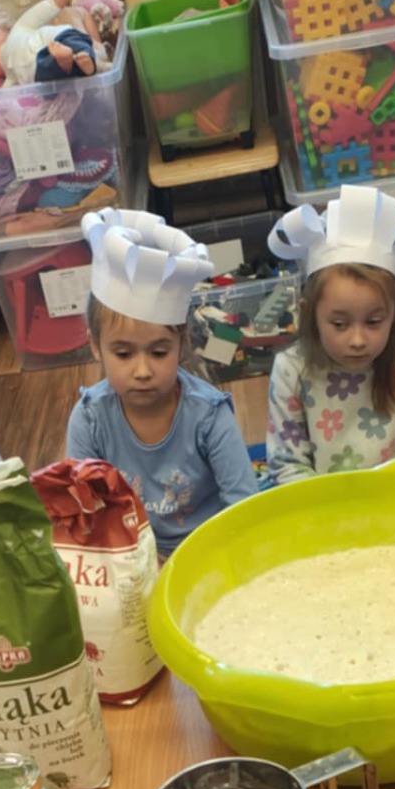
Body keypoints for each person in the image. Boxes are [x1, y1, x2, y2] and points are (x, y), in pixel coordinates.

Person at [65, 208, 258, 557]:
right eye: (123, 354)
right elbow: (86, 515)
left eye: (158, 352)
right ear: (95, 346)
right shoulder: (90, 418)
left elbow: (242, 507)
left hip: (208, 548)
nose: (142, 370)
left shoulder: (209, 416)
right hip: (130, 554)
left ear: (181, 343)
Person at [264, 184, 395, 484]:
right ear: (309, 313)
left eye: (374, 321)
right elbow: (287, 464)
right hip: (319, 503)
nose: (358, 340)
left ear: (394, 312)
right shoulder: (291, 370)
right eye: (339, 324)